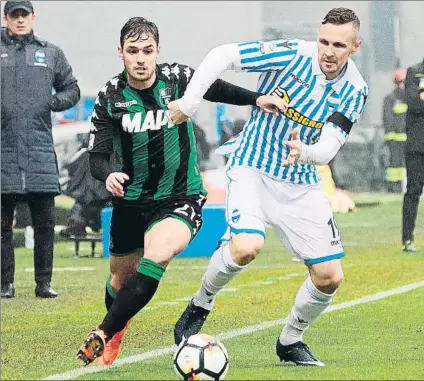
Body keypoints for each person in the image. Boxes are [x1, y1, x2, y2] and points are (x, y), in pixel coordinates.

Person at [76, 17, 286, 366]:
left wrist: (257, 98)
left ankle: (102, 333)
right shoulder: (110, 96)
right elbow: (97, 157)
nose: (141, 59)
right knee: (119, 279)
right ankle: (118, 325)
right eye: (132, 51)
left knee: (156, 256)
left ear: (158, 51)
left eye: (147, 51)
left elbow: (218, 88)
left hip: (180, 196)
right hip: (131, 200)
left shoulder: (179, 79)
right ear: (121, 53)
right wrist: (109, 174)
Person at [169, 7, 368, 366]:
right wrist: (190, 102)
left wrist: (305, 152)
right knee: (246, 246)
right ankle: (201, 303)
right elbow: (222, 55)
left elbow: (329, 146)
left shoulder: (356, 89)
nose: (328, 50)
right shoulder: (293, 53)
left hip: (301, 181)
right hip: (253, 168)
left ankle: (290, 340)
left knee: (329, 277)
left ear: (354, 47)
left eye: (339, 44)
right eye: (323, 40)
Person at [1, 1, 80, 299]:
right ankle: (4, 284)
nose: (20, 20)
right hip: (3, 150)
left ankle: (43, 284)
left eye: (24, 15)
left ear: (33, 17)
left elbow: (71, 89)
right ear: (5, 17)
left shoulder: (51, 53)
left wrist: (53, 103)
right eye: (14, 15)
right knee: (1, 228)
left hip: (39, 151)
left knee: (45, 224)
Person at [402, 58, 424, 252]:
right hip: (417, 145)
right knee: (413, 191)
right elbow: (414, 104)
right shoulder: (414, 71)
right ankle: (407, 239)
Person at [382, 70, 407, 193]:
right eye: (401, 82)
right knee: (395, 165)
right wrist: (390, 138)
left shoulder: (412, 98)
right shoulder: (390, 99)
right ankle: (393, 188)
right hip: (395, 139)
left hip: (410, 138)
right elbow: (388, 119)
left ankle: (405, 186)